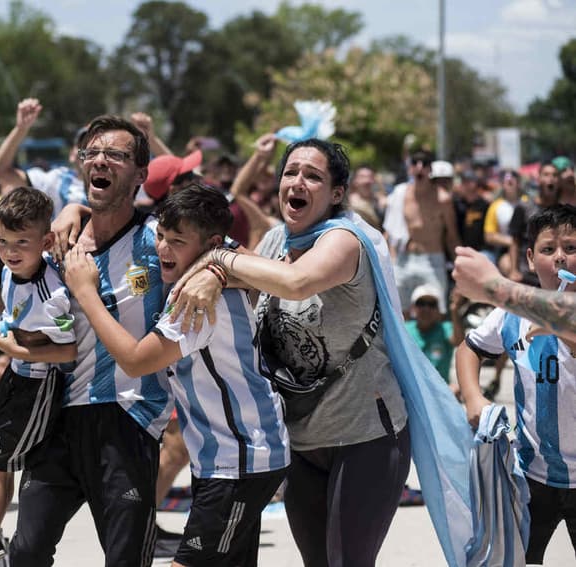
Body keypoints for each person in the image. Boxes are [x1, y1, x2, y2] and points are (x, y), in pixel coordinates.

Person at [168, 139, 479, 566]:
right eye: (290, 172)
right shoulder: (276, 238)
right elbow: (253, 275)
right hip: (299, 439)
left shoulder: (345, 241)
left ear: (336, 193)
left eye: (313, 176)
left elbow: (295, 282)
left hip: (365, 435)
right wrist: (218, 273)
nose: (298, 181)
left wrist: (218, 261)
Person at [63, 184, 289, 567]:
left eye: (177, 241)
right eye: (162, 237)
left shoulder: (196, 301)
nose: (163, 249)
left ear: (211, 242)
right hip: (228, 457)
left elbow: (135, 360)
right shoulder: (207, 269)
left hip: (241, 459)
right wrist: (73, 208)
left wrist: (85, 293)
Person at [7, 115, 172, 566]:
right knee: (25, 551)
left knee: (125, 559)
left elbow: (223, 249)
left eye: (115, 154)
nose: (99, 160)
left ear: (140, 174)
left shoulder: (156, 240)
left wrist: (214, 273)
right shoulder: (61, 242)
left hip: (128, 416)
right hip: (58, 417)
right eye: (91, 153)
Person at [0, 187, 77, 566]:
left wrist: (15, 351)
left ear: (46, 240)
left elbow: (68, 351)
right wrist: (6, 333)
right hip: (13, 378)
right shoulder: (8, 273)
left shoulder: (51, 293)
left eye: (22, 241)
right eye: (4, 241)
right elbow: (15, 314)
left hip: (36, 386)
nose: (11, 251)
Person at [455, 204, 576, 564]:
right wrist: (474, 399)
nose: (560, 259)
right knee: (517, 559)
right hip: (531, 475)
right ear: (529, 257)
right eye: (548, 249)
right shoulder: (510, 315)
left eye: (571, 248)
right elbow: (468, 349)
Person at [384, 151, 461, 316]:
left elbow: (451, 236)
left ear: (430, 169)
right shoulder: (400, 194)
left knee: (436, 310)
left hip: (432, 260)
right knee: (398, 313)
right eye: (415, 163)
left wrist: (459, 266)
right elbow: (390, 232)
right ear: (410, 168)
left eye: (425, 164)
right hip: (404, 259)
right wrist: (391, 261)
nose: (420, 167)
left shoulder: (442, 199)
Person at [0, 98, 88, 218]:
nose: (88, 153)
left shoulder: (115, 188)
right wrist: (21, 129)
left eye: (96, 148)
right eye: (83, 147)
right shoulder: (56, 180)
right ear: (72, 154)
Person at [508, 160, 560, 287]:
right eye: (546, 175)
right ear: (538, 179)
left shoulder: (562, 211)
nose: (551, 179)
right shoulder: (524, 207)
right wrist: (514, 270)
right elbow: (515, 241)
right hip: (527, 274)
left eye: (554, 175)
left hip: (554, 275)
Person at [404, 284, 463, 392]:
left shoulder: (445, 329)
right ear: (413, 307)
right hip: (412, 389)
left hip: (439, 390)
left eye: (431, 304)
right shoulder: (404, 329)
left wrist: (454, 311)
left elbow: (458, 341)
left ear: (439, 309)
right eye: (421, 303)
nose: (426, 309)